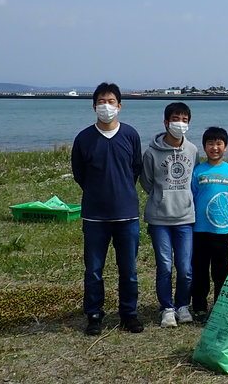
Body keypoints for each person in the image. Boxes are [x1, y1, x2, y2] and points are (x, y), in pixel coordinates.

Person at [71, 82, 144, 335]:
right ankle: (94, 314)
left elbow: (135, 168)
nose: (106, 106)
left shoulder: (130, 135)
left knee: (129, 269)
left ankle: (129, 314)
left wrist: (121, 190)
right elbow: (79, 173)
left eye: (111, 102)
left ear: (119, 106)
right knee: (93, 269)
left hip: (127, 214)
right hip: (95, 216)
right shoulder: (84, 138)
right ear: (94, 107)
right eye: (101, 102)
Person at [140, 102, 197, 327]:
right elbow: (147, 182)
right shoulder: (151, 153)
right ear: (165, 122)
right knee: (164, 266)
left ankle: (183, 305)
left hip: (185, 217)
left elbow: (193, 179)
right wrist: (162, 197)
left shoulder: (192, 150)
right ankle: (167, 308)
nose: (179, 124)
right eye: (175, 119)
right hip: (159, 218)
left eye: (184, 120)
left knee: (185, 268)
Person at [190, 126, 228, 324]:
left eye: (219, 143)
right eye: (210, 143)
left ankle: (219, 306)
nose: (214, 147)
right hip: (199, 230)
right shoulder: (198, 171)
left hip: (222, 230)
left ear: (225, 147)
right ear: (204, 147)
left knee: (220, 270)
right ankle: (199, 307)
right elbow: (191, 198)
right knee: (200, 269)